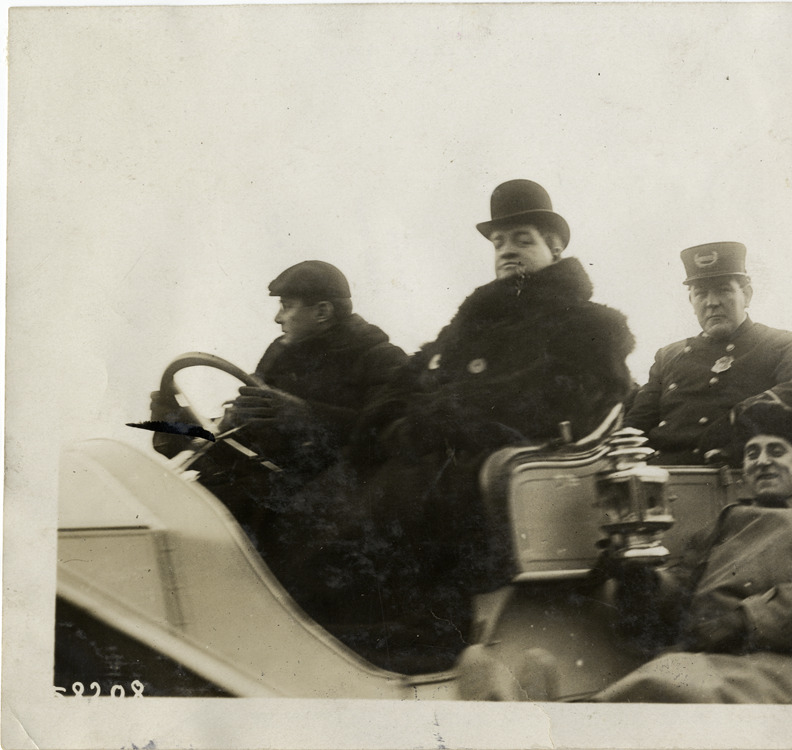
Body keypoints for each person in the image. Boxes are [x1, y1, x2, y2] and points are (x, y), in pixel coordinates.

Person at [312, 178, 636, 673]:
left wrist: (439, 420)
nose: (507, 251)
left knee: (416, 492)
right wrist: (393, 421)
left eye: (522, 239)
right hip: (441, 453)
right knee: (328, 495)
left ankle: (429, 636)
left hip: (512, 465)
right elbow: (410, 377)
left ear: (555, 247)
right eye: (499, 242)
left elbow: (562, 400)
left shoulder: (591, 325)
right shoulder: (474, 320)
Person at [594, 401, 792, 703]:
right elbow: (681, 589)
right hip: (713, 661)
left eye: (776, 451)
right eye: (752, 453)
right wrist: (642, 579)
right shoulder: (724, 525)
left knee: (659, 687)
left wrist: (742, 621)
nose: (762, 461)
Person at [148, 260, 408, 518]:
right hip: (271, 490)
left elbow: (392, 436)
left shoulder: (382, 358)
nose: (277, 318)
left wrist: (306, 415)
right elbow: (244, 436)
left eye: (286, 306)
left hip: (335, 505)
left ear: (322, 311)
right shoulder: (280, 353)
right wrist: (179, 426)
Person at [624, 241, 792, 464]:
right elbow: (635, 426)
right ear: (691, 301)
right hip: (662, 473)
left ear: (747, 295)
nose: (711, 303)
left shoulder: (778, 343)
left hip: (736, 474)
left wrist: (742, 416)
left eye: (723, 290)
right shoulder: (668, 356)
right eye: (701, 293)